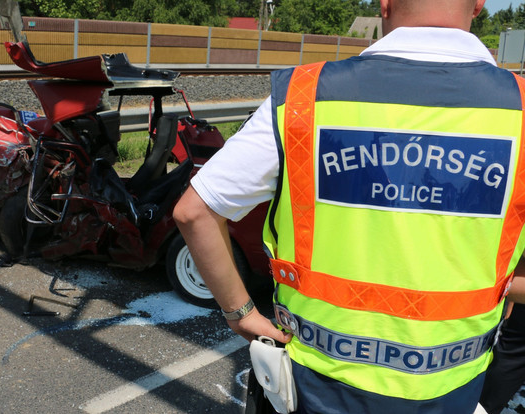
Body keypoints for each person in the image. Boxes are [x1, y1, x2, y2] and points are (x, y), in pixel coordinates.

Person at [173, 0, 525, 413]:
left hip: (316, 384)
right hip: (451, 388)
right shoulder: (518, 108)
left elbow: (194, 212)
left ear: (384, 2)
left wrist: (241, 313)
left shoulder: (304, 98)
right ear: (480, 4)